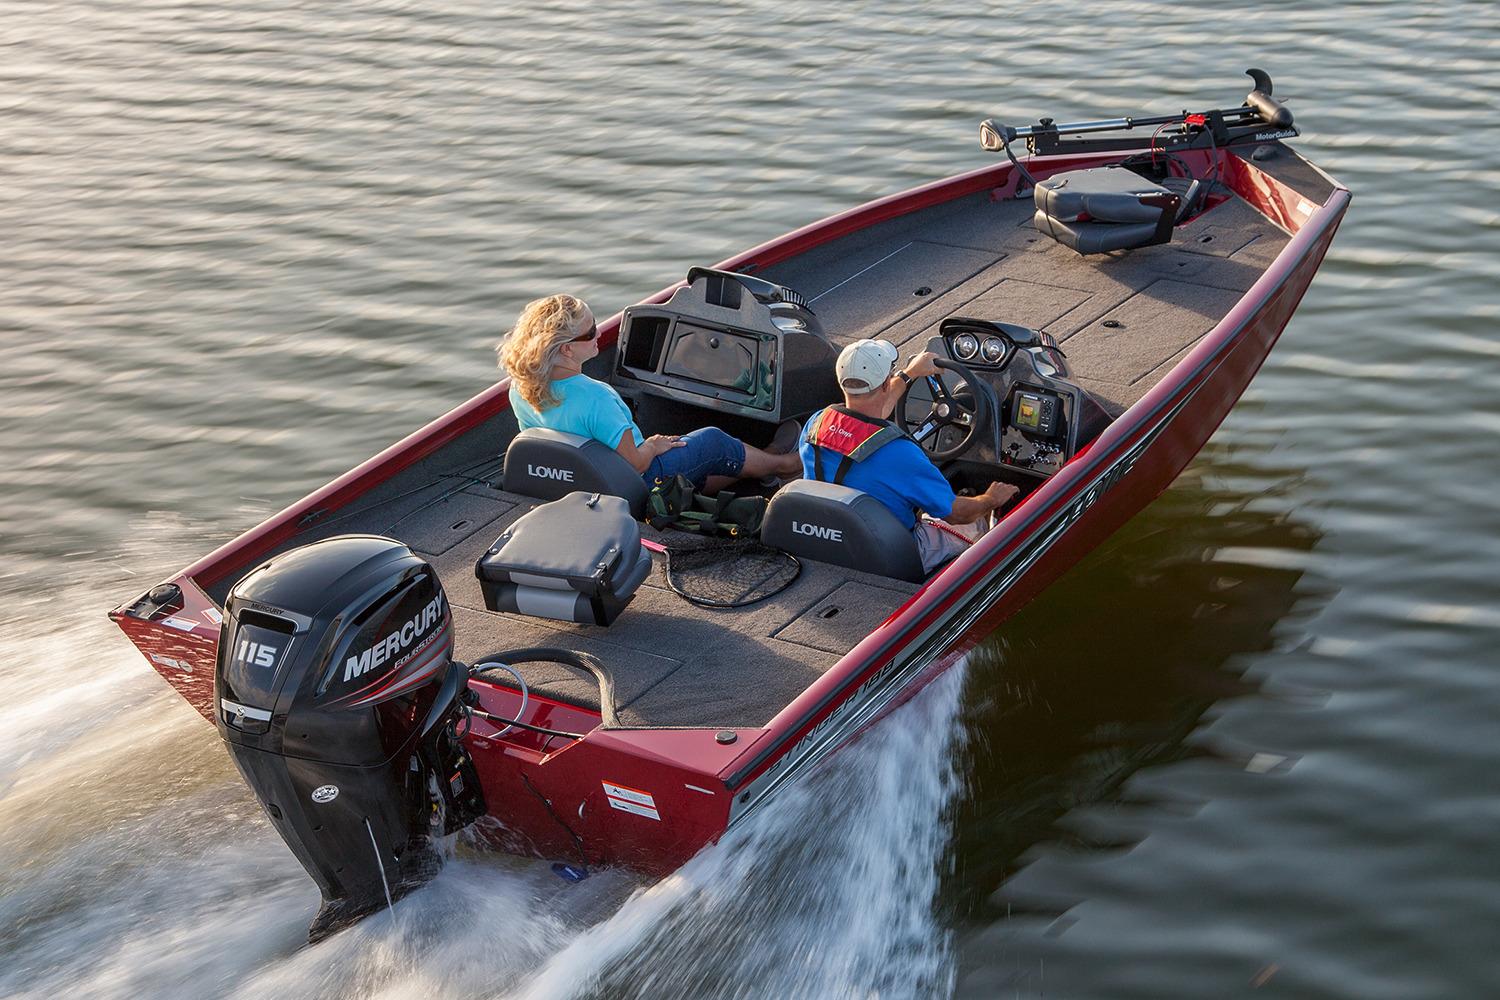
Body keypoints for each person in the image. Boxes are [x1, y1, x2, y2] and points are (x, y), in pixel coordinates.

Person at [497, 294, 801, 492]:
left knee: (691, 457)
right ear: (566, 349)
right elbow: (636, 464)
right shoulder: (596, 398)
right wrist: (653, 447)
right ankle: (781, 464)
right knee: (711, 441)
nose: (600, 334)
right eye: (590, 332)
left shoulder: (521, 386)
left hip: (579, 482)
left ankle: (758, 467)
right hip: (633, 482)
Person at [800, 338, 1020, 574]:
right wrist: (990, 499)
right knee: (975, 523)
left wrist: (909, 374)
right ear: (885, 384)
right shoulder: (899, 453)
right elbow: (956, 513)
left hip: (833, 538)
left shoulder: (817, 424)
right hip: (890, 552)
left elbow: (872, 412)